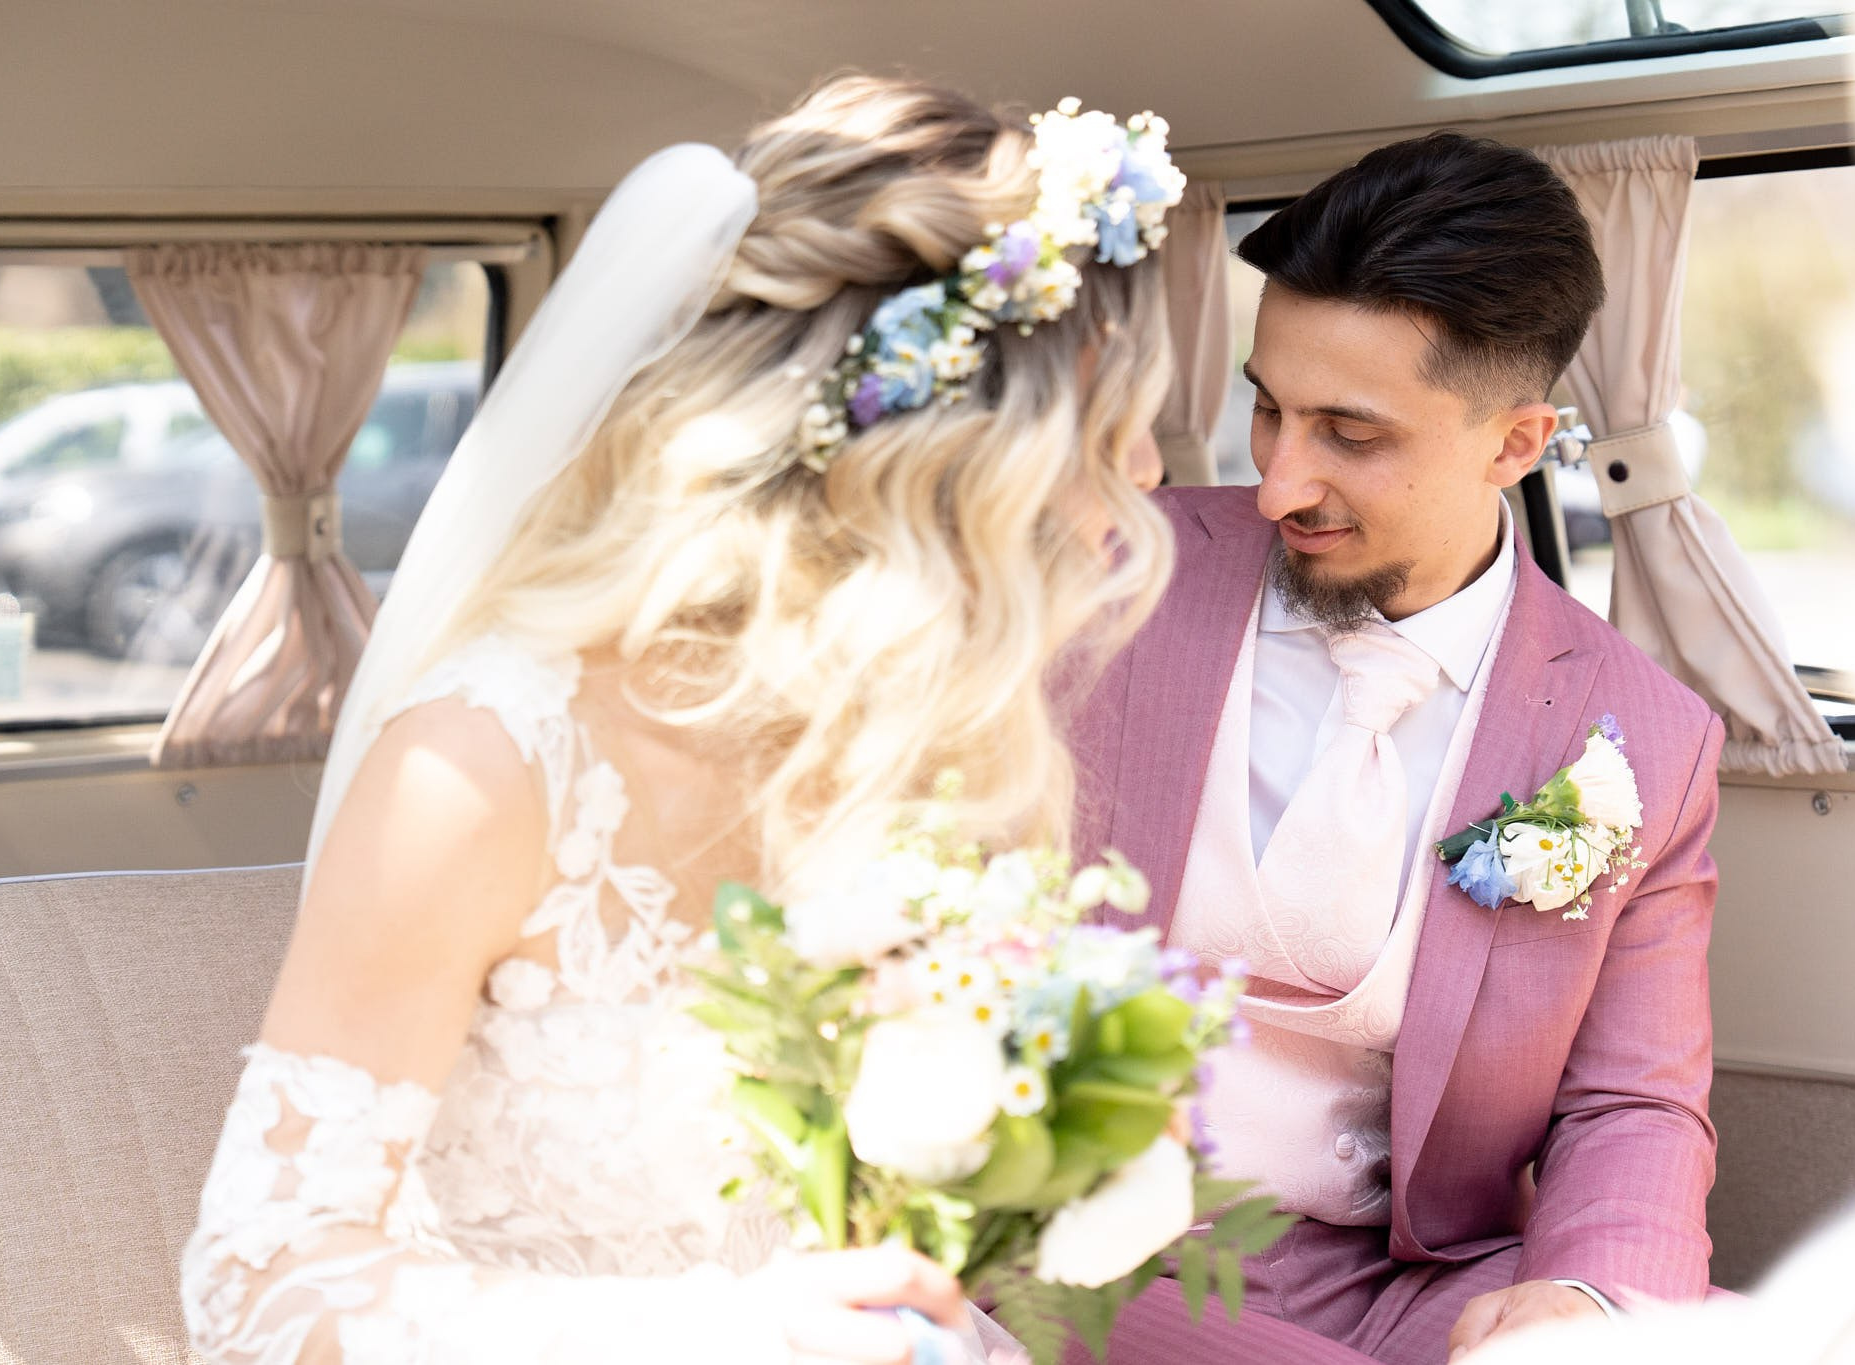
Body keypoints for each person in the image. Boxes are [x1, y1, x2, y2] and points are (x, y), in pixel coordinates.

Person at [179, 77, 1186, 1364]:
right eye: (1105, 432)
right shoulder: (481, 760)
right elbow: (255, 1284)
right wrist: (725, 1334)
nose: (1146, 479)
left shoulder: (917, 751)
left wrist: (1052, 1141)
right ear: (948, 460)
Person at [1070, 132, 1722, 1365]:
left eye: (1348, 435)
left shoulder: (1644, 737)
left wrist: (1585, 1300)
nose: (1277, 483)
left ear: (1514, 445)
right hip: (1086, 1245)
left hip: (1411, 1281)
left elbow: (1630, 1099)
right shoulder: (1103, 578)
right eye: (1267, 409)